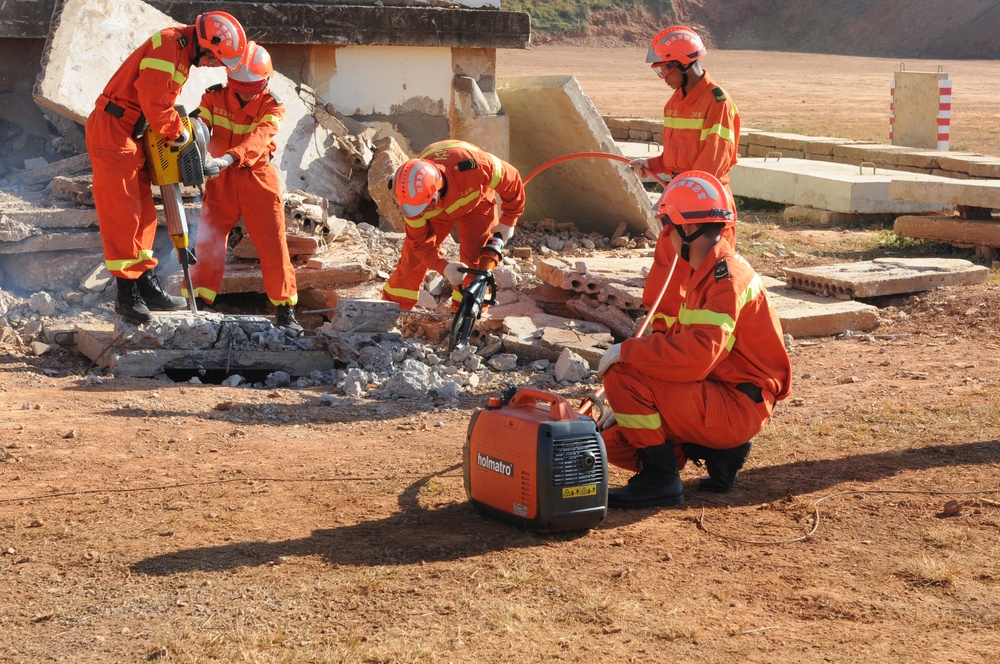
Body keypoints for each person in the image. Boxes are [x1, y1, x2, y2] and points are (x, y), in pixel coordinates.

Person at [596, 171, 791, 509]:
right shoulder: (707, 273)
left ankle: (661, 483)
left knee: (623, 376)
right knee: (609, 441)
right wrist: (625, 405)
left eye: (667, 227)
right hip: (728, 395)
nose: (665, 237)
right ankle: (719, 452)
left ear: (686, 229)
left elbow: (696, 355)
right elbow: (683, 342)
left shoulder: (724, 279)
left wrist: (625, 353)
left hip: (736, 405)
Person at [86, 11, 247, 325]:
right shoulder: (170, 49)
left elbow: (157, 103)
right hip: (114, 129)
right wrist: (180, 132)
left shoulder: (182, 49)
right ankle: (126, 293)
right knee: (123, 213)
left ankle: (145, 283)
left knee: (144, 211)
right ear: (206, 44)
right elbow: (155, 102)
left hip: (132, 131)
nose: (214, 65)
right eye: (215, 58)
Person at [629, 26, 741, 331]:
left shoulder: (718, 104)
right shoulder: (674, 103)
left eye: (665, 70)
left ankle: (710, 336)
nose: (663, 77)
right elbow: (674, 157)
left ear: (682, 64)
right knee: (667, 271)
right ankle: (664, 332)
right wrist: (649, 164)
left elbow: (712, 164)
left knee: (707, 275)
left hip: (707, 205)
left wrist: (680, 198)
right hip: (679, 200)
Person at [186, 42, 302, 335]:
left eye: (253, 87)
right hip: (220, 179)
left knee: (273, 245)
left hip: (256, 177)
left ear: (266, 81)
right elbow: (200, 123)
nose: (247, 92)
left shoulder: (272, 105)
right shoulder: (214, 97)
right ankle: (199, 300)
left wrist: (227, 158)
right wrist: (190, 135)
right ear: (229, 79)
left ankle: (285, 309)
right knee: (208, 240)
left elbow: (261, 137)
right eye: (241, 86)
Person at [382, 140, 525, 311]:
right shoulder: (413, 203)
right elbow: (420, 243)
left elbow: (511, 179)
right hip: (439, 213)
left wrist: (509, 220)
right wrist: (444, 267)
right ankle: (392, 310)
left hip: (476, 202)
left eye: (427, 205)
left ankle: (466, 313)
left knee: (477, 261)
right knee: (412, 260)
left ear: (437, 188)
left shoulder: (474, 166)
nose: (419, 211)